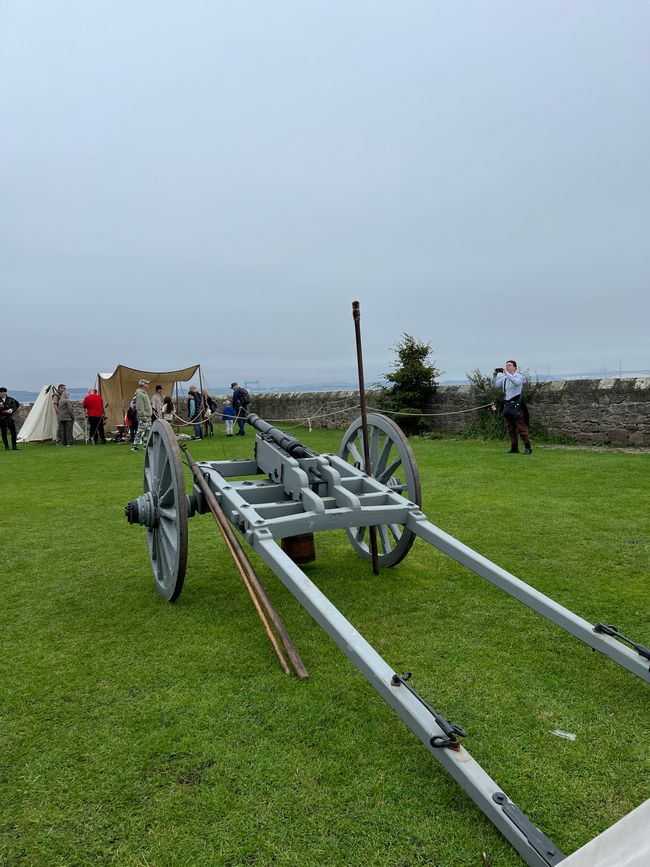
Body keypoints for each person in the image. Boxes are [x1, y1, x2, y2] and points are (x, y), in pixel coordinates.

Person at [493, 360, 532, 454]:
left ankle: (528, 448)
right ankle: (514, 447)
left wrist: (506, 373)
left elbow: (516, 383)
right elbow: (494, 385)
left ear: (515, 367)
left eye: (509, 365)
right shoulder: (505, 379)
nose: (507, 367)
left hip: (517, 404)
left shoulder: (519, 376)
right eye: (506, 365)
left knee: (521, 427)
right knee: (510, 428)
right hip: (508, 404)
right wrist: (494, 375)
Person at [132, 379, 152, 452]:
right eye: (146, 383)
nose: (147, 384)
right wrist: (143, 416)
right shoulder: (139, 393)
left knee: (147, 431)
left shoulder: (144, 393)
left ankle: (146, 445)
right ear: (143, 384)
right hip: (144, 416)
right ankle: (135, 446)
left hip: (148, 415)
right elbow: (140, 406)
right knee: (140, 431)